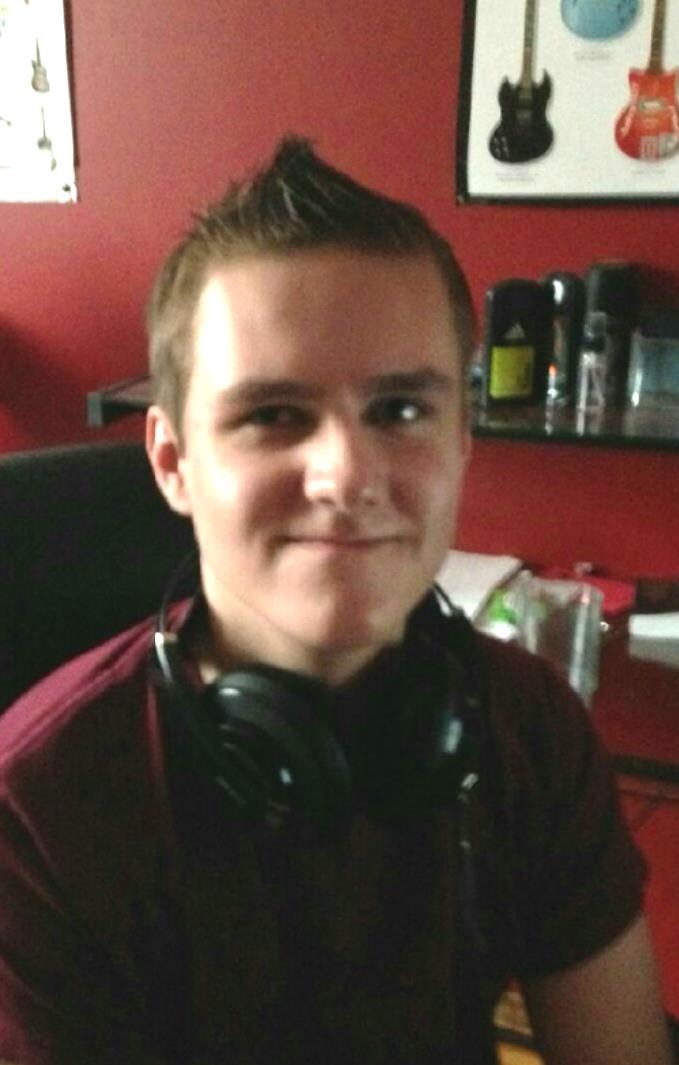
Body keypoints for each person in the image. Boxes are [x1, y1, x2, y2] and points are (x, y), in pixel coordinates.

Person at [0, 137, 673, 1065]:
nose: (347, 475)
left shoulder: (528, 725)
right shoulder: (39, 813)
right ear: (172, 461)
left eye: (400, 410)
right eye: (272, 414)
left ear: (462, 441)